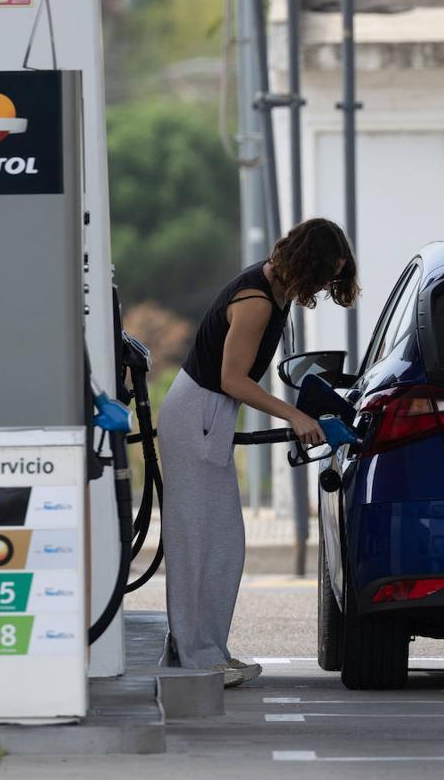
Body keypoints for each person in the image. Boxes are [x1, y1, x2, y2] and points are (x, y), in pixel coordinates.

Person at [158, 218, 359, 686]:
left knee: (222, 542)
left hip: (208, 415)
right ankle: (195, 658)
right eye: (327, 274)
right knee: (198, 543)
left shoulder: (275, 291)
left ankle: (208, 649)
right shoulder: (255, 302)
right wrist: (294, 415)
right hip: (198, 415)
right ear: (308, 265)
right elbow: (232, 378)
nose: (329, 284)